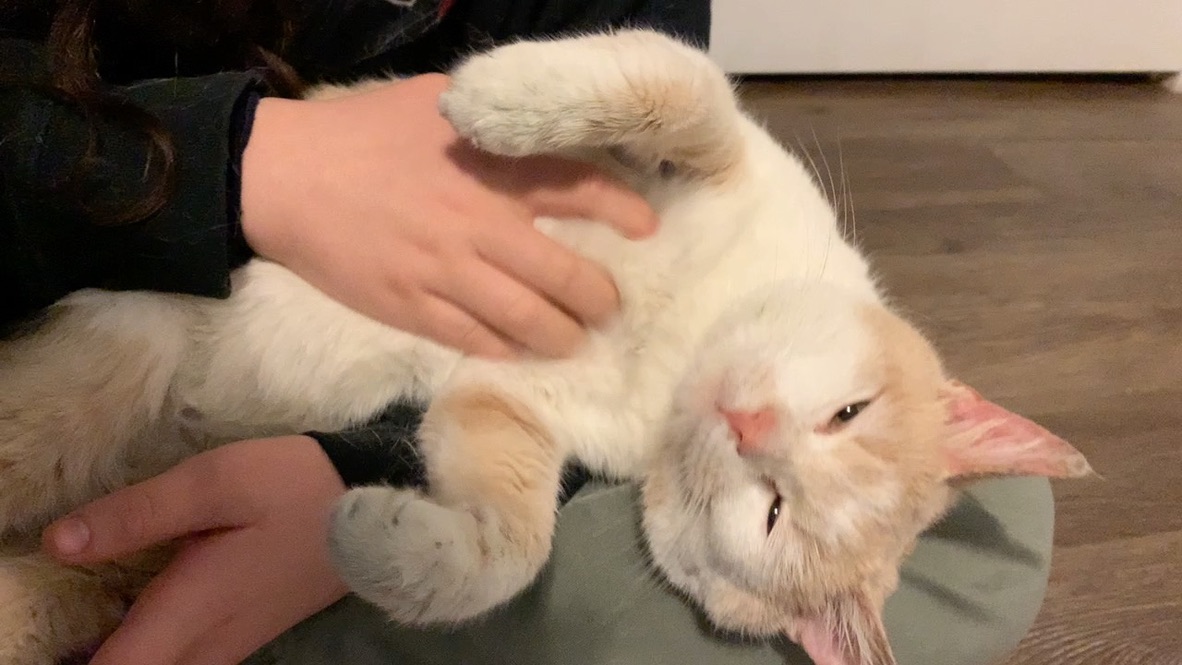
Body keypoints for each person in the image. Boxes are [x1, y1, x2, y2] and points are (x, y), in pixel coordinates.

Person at [2, 3, 1059, 665]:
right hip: (122, 251)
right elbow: (691, 109)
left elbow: (512, 406)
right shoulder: (781, 238)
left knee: (998, 526)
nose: (757, 428)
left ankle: (150, 593)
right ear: (949, 395)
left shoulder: (680, 435)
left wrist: (421, 499)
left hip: (317, 417)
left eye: (774, 507)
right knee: (104, 372)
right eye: (842, 412)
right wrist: (245, 161)